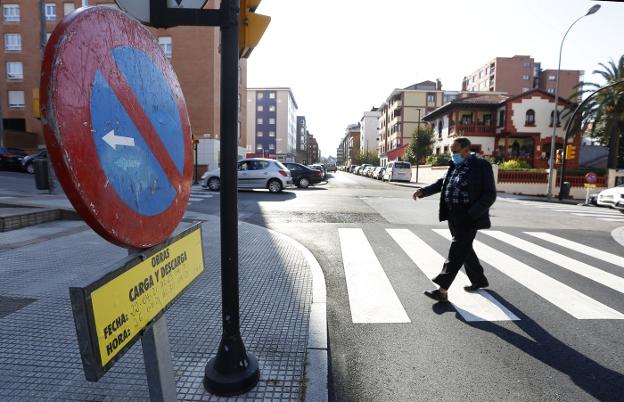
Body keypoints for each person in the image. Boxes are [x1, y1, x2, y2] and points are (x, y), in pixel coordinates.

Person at [413, 137, 497, 303]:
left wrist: (472, 214)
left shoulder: (481, 166)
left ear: (467, 151)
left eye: (456, 152)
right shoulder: (455, 165)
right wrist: (423, 191)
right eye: (451, 152)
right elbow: (441, 183)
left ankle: (442, 290)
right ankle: (479, 279)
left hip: (469, 216)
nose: (453, 155)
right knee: (465, 249)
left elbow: (489, 195)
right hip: (453, 215)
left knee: (456, 251)